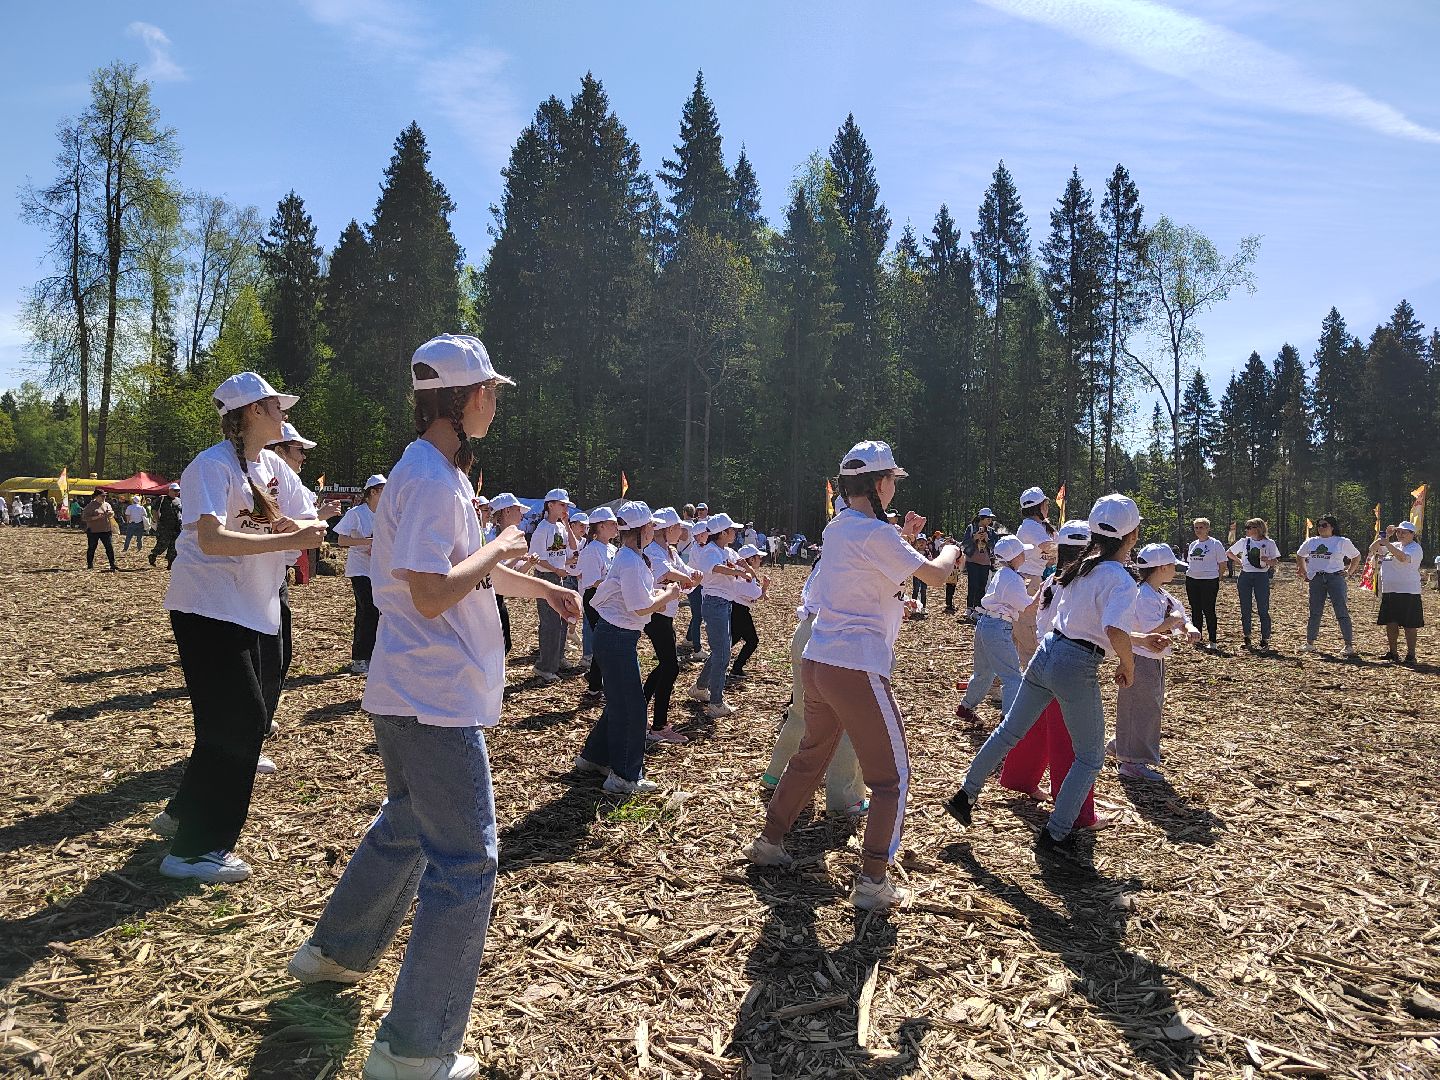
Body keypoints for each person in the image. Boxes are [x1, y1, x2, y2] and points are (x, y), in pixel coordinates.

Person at [289, 334, 579, 1080]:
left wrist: (538, 586)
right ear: (462, 398)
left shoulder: (433, 474)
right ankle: (416, 1049)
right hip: (433, 698)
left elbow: (456, 575)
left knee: (408, 826)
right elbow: (431, 587)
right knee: (467, 861)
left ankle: (333, 954)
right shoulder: (426, 477)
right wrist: (507, 542)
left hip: (413, 690)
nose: (495, 402)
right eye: (490, 390)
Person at [745, 440, 962, 910]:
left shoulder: (842, 527)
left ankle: (769, 842)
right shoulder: (874, 534)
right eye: (892, 481)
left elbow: (878, 561)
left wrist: (902, 533)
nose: (893, 487)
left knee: (810, 756)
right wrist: (949, 551)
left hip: (820, 660)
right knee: (892, 780)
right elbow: (937, 577)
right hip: (856, 665)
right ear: (880, 484)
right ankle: (872, 880)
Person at [153, 372, 327, 882]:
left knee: (225, 722)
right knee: (244, 721)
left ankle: (183, 815)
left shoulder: (272, 465)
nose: (284, 416)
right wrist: (283, 538)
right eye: (277, 408)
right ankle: (194, 851)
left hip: (253, 607)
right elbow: (211, 539)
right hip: (207, 606)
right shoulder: (209, 466)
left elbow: (310, 522)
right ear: (252, 412)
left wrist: (298, 531)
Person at [944, 494, 1169, 859]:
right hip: (1076, 664)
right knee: (1091, 756)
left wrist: (1138, 639)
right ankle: (1057, 834)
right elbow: (1111, 630)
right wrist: (1128, 666)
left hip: (1048, 653)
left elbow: (1091, 624)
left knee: (1008, 732)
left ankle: (965, 795)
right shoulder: (1121, 579)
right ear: (1134, 535)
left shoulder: (1083, 567)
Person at [995, 519, 1107, 830]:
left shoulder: (1051, 581)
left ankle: (1020, 779)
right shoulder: (1082, 585)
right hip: (1067, 666)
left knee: (1034, 724)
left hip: (1042, 660)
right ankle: (1078, 813)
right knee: (1071, 739)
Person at [574, 500, 684, 794]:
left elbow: (637, 597)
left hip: (616, 636)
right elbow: (640, 608)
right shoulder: (631, 560)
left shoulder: (630, 556)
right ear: (640, 530)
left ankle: (593, 757)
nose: (653, 530)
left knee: (622, 702)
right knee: (633, 708)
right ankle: (624, 776)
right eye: (650, 526)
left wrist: (658, 593)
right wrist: (670, 593)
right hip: (617, 637)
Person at [760, 553, 868, 818]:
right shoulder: (861, 558)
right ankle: (844, 799)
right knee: (851, 721)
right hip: (836, 639)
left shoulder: (831, 554)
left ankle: (775, 776)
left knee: (800, 713)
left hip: (807, 631)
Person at [1115, 544, 1199, 781]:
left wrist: (1188, 628)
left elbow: (1181, 616)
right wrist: (1171, 622)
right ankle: (1131, 761)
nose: (1175, 571)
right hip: (1140, 658)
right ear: (1162, 568)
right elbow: (1150, 633)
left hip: (1155, 659)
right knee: (1141, 706)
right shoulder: (1143, 595)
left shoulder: (1161, 594)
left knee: (1149, 706)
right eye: (1173, 566)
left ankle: (1124, 744)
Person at [955, 533, 1037, 725]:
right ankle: (1007, 721)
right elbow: (1026, 606)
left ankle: (966, 707)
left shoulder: (1002, 573)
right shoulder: (1013, 579)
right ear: (1015, 557)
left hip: (985, 624)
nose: (1024, 556)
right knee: (1013, 677)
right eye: (1022, 553)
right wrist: (1042, 591)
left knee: (983, 673)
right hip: (999, 628)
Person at [644, 507, 701, 744]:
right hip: (654, 615)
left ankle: (638, 708)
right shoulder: (652, 551)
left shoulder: (670, 550)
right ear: (667, 529)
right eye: (678, 527)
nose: (682, 532)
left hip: (664, 614)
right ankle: (658, 727)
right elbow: (665, 572)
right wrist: (689, 579)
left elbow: (684, 573)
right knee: (670, 667)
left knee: (666, 666)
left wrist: (692, 577)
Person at [687, 512, 751, 718]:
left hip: (723, 604)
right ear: (723, 532)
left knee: (719, 652)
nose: (735, 533)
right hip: (715, 604)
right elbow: (716, 568)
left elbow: (738, 560)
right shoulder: (711, 551)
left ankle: (700, 688)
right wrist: (740, 573)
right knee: (722, 654)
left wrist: (748, 568)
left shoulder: (724, 550)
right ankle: (716, 702)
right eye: (732, 530)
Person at [335, 475, 388, 674]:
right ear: (372, 492)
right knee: (368, 610)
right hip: (360, 569)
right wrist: (368, 542)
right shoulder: (357, 513)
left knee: (376, 611)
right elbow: (341, 540)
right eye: (383, 490)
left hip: (379, 569)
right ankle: (360, 658)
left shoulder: (386, 514)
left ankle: (372, 655)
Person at [529, 488, 579, 683]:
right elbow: (538, 559)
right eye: (562, 504)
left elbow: (572, 548)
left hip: (558, 577)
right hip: (546, 578)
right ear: (550, 505)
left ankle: (557, 659)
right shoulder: (542, 529)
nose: (565, 508)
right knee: (550, 623)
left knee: (562, 620)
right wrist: (557, 570)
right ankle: (544, 666)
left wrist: (566, 524)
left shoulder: (559, 527)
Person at [1296, 514, 1361, 657]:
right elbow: (1300, 555)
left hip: (1335, 578)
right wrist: (1304, 571)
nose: (1321, 528)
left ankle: (1348, 645)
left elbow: (1356, 556)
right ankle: (1309, 643)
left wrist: (1349, 572)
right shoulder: (1311, 541)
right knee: (1314, 612)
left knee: (1341, 611)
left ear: (1332, 527)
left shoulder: (1341, 541)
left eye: (1324, 525)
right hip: (1317, 579)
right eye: (1319, 525)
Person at [577, 506, 619, 699]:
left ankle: (595, 681)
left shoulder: (612, 548)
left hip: (608, 598)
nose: (616, 527)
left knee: (606, 642)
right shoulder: (592, 550)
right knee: (605, 641)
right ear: (600, 526)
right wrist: (619, 583)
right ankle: (595, 684)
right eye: (612, 524)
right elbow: (593, 581)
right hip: (595, 599)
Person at [1372, 521, 1424, 665]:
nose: (1400, 534)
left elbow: (1402, 558)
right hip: (1390, 590)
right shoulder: (1393, 545)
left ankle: (1411, 655)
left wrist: (1387, 544)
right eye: (1398, 532)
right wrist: (1384, 536)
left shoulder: (1415, 548)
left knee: (1410, 625)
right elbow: (1373, 549)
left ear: (1412, 535)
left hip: (1408, 591)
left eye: (1404, 532)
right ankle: (1393, 653)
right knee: (1391, 623)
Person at [1227, 518, 1280, 649]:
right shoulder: (1244, 542)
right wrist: (1239, 562)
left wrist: (1267, 561)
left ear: (1258, 528)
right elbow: (1229, 552)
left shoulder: (1269, 543)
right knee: (1245, 608)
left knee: (1263, 607)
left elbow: (1275, 562)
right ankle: (1247, 637)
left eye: (1249, 527)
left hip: (1261, 576)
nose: (1247, 530)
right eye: (1247, 527)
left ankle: (1265, 638)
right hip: (1245, 576)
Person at [1183, 518, 1227, 648]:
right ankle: (1197, 638)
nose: (1198, 530)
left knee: (1208, 610)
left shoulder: (1215, 544)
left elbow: (1222, 563)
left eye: (1201, 527)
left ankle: (1212, 640)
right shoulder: (1193, 545)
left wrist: (1218, 577)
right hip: (1192, 580)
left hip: (1209, 580)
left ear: (1208, 528)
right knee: (1195, 609)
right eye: (1196, 528)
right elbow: (1190, 562)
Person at [728, 544, 770, 679]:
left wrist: (762, 590)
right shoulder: (743, 576)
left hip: (739, 610)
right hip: (739, 611)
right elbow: (757, 594)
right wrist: (765, 587)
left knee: (734, 640)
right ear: (751, 559)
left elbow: (757, 593)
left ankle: (726, 665)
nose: (760, 560)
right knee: (751, 640)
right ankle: (735, 667)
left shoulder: (743, 573)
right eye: (758, 557)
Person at [961, 510, 998, 619]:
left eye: (991, 518)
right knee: (973, 584)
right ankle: (969, 608)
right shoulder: (971, 528)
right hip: (972, 560)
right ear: (981, 518)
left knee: (982, 585)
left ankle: (978, 608)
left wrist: (987, 540)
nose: (990, 520)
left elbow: (995, 546)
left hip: (985, 562)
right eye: (988, 518)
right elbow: (964, 544)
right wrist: (974, 538)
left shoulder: (991, 531)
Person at [82, 492, 118, 571]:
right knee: (92, 547)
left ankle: (112, 564)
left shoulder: (107, 504)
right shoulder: (90, 506)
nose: (104, 497)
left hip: (106, 530)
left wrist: (111, 513)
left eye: (105, 496)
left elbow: (112, 513)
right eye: (102, 496)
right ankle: (90, 565)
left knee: (109, 547)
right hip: (93, 530)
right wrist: (96, 517)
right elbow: (84, 518)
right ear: (97, 496)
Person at [150, 484, 183, 568]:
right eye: (175, 490)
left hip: (177, 527)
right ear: (170, 490)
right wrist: (157, 521)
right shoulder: (162, 499)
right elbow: (154, 509)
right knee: (162, 544)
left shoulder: (179, 500)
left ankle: (170, 563)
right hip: (165, 527)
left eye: (178, 490)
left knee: (174, 546)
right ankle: (153, 555)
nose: (177, 492)